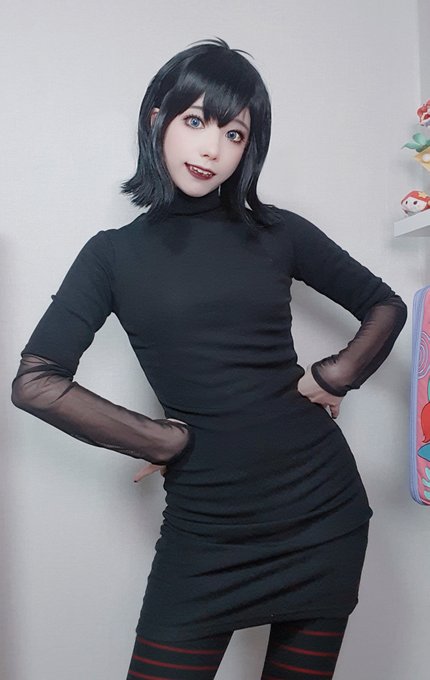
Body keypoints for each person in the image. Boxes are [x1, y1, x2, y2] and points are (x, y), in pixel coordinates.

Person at [11, 37, 407, 679]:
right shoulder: (111, 255)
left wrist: (335, 375)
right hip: (206, 531)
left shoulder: (277, 232)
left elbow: (385, 305)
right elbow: (36, 382)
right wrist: (159, 439)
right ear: (157, 118)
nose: (213, 148)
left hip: (320, 514)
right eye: (196, 121)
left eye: (234, 133)